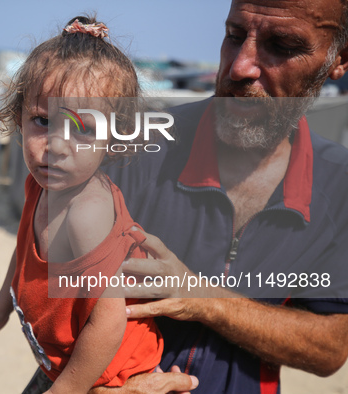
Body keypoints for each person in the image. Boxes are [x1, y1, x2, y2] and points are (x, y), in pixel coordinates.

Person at [88, 0, 348, 392]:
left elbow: (330, 348)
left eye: (282, 45)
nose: (240, 66)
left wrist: (202, 299)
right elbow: (44, 292)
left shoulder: (339, 187)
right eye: (234, 36)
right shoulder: (134, 147)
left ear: (338, 59)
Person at [0, 16, 170, 393]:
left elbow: (109, 322)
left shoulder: (86, 213)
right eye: (43, 120)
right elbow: (24, 254)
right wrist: (0, 311)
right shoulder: (39, 186)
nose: (57, 145)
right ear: (18, 118)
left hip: (109, 377)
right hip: (68, 368)